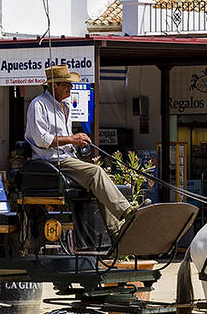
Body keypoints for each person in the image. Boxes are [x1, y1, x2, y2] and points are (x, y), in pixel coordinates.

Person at [25, 65, 145, 238]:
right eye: (66, 84)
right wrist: (72, 139)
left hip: (67, 157)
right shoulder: (38, 105)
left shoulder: (65, 106)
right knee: (96, 172)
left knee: (100, 183)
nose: (70, 88)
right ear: (54, 86)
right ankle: (127, 210)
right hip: (50, 161)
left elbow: (64, 139)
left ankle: (116, 233)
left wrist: (76, 143)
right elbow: (40, 139)